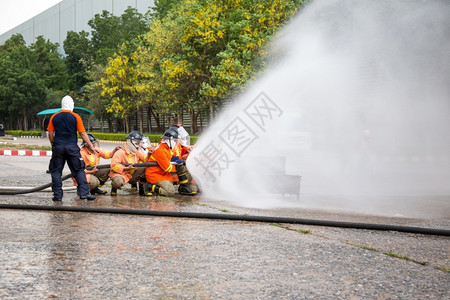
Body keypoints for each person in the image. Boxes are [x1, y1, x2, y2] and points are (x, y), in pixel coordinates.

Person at [47, 95, 96, 201]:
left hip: (58, 147)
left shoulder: (54, 116)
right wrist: (90, 145)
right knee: (78, 169)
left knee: (56, 171)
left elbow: (50, 133)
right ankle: (84, 193)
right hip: (72, 148)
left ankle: (57, 196)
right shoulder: (76, 117)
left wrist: (53, 145)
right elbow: (83, 133)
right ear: (71, 105)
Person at [144, 128, 195, 196]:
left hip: (163, 173)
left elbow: (172, 158)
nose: (176, 143)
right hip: (155, 174)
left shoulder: (168, 148)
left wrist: (179, 161)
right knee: (170, 192)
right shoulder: (161, 151)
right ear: (169, 140)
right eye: (175, 140)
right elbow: (168, 168)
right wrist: (177, 165)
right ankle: (149, 186)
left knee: (183, 168)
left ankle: (184, 188)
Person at [108, 131, 147, 196]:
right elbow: (114, 166)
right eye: (137, 143)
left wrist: (150, 154)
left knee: (145, 168)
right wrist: (125, 168)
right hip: (120, 174)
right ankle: (114, 189)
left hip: (131, 174)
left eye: (139, 143)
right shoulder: (120, 152)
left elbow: (145, 159)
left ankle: (141, 190)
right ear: (130, 142)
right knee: (117, 182)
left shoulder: (136, 152)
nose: (138, 145)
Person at [169, 123, 198, 195]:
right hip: (171, 171)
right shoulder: (170, 146)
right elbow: (173, 159)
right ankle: (183, 186)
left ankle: (185, 186)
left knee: (193, 190)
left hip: (178, 170)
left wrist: (191, 150)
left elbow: (183, 151)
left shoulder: (178, 146)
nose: (182, 137)